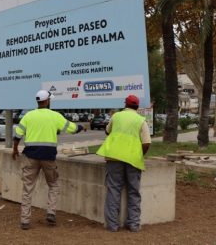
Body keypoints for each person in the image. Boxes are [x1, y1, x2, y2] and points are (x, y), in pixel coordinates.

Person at [12, 89, 85, 230]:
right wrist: (81, 127)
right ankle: (51, 212)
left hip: (30, 156)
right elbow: (72, 128)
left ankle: (25, 221)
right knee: (53, 184)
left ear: (38, 101)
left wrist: (15, 149)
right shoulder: (54, 116)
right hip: (48, 157)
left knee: (27, 188)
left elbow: (18, 135)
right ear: (47, 101)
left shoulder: (28, 116)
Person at [96, 95, 151, 232]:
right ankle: (133, 225)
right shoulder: (141, 120)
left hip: (114, 158)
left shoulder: (116, 116)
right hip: (133, 160)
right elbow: (146, 142)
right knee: (134, 191)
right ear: (137, 107)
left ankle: (112, 225)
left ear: (125, 104)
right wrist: (139, 155)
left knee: (114, 190)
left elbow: (107, 131)